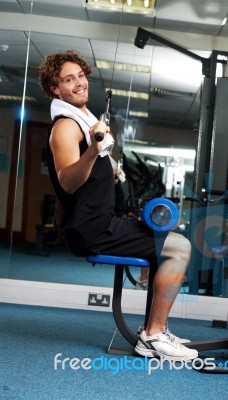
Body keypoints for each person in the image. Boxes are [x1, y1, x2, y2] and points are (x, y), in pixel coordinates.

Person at [39, 49, 198, 361]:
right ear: (55, 89)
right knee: (179, 247)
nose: (79, 83)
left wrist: (108, 171)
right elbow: (67, 180)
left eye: (81, 76)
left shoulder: (83, 121)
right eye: (68, 80)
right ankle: (152, 336)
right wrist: (93, 150)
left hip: (102, 221)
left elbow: (88, 179)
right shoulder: (66, 126)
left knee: (165, 241)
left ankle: (156, 328)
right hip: (92, 229)